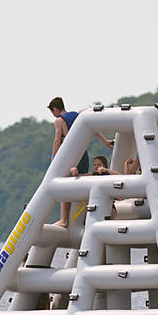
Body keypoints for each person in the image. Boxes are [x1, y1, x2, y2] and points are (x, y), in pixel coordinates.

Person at [48, 97, 114, 227]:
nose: (53, 115)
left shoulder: (59, 121)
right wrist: (105, 141)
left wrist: (53, 158)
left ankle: (64, 220)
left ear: (55, 109)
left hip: (71, 157)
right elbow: (93, 130)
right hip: (83, 155)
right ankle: (80, 219)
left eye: (52, 112)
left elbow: (57, 140)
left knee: (65, 184)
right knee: (80, 185)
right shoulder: (77, 116)